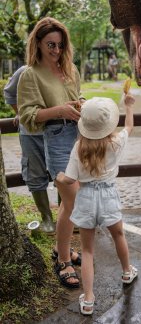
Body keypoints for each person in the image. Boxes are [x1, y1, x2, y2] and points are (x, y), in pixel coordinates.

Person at [17, 17, 85, 288]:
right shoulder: (30, 74)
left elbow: (75, 99)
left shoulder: (70, 69)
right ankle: (63, 261)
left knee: (69, 203)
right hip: (55, 137)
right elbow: (28, 116)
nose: (56, 50)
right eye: (50, 45)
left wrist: (80, 104)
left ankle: (61, 249)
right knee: (73, 200)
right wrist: (60, 110)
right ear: (38, 43)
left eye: (60, 44)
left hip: (77, 135)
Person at [56, 95, 138, 316]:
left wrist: (60, 176)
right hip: (109, 195)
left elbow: (70, 180)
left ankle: (89, 298)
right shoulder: (116, 142)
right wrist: (128, 106)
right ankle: (127, 271)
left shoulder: (78, 148)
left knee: (88, 250)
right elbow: (129, 126)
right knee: (119, 235)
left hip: (86, 198)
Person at [4, 66, 55, 233]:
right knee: (34, 173)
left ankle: (67, 217)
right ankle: (47, 219)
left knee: (65, 172)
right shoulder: (25, 71)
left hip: (58, 131)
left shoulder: (62, 69)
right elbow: (10, 93)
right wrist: (20, 112)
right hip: (31, 133)